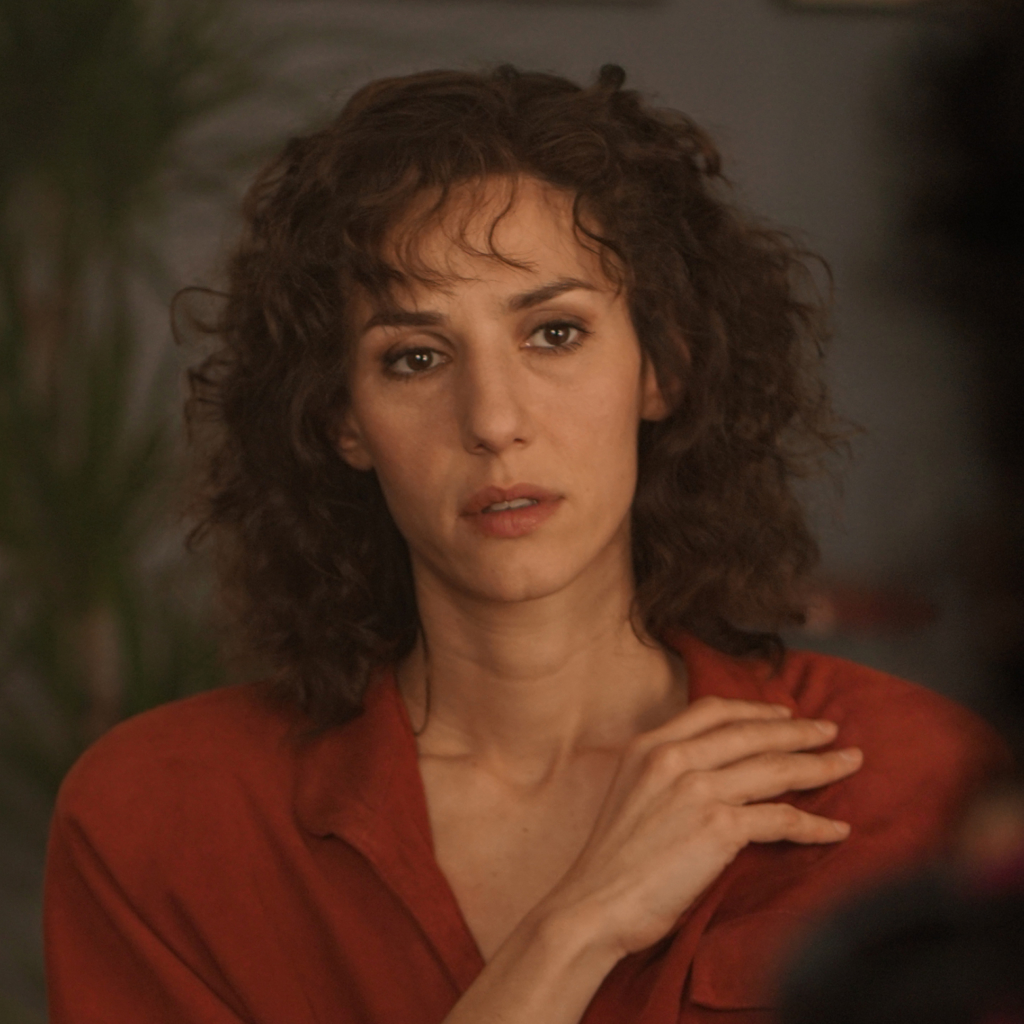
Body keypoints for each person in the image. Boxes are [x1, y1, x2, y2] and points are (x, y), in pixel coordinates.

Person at [43, 65, 1009, 1024]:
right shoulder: (164, 816)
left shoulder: (910, 780)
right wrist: (577, 927)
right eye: (416, 358)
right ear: (343, 420)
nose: (494, 420)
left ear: (660, 370)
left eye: (553, 334)